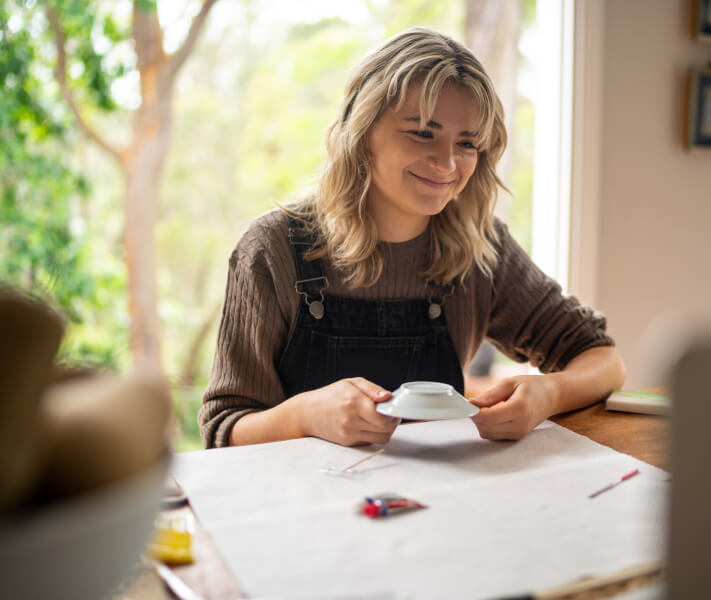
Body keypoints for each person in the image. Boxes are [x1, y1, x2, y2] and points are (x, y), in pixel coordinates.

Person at [199, 27, 625, 449]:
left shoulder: (483, 249)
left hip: (437, 507)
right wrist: (304, 416)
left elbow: (603, 360)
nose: (447, 162)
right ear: (363, 128)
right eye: (423, 132)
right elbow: (224, 429)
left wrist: (547, 394)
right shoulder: (272, 249)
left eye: (467, 143)